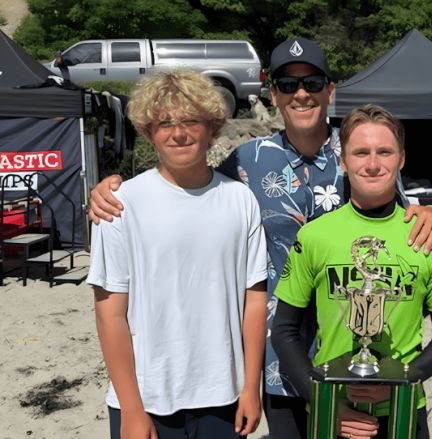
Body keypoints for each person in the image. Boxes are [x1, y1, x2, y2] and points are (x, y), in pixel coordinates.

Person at [87, 38, 432, 439]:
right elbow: (187, 181)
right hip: (282, 362)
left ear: (331, 89)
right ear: (273, 94)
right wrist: (109, 189)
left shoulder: (362, 150)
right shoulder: (246, 162)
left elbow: (400, 217)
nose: (301, 93)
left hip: (361, 357)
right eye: (288, 85)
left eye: (312, 82)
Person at [86, 70, 269, 439]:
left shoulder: (240, 199)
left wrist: (251, 388)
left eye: (190, 121)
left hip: (224, 396)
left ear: (212, 126)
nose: (178, 132)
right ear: (148, 130)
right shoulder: (119, 205)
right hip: (145, 400)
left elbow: (254, 299)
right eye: (164, 123)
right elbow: (110, 314)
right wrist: (133, 410)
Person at [271, 104, 432, 439]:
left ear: (401, 159)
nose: (372, 164)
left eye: (384, 152)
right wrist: (322, 397)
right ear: (343, 161)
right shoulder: (315, 236)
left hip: (403, 410)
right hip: (334, 414)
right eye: (360, 153)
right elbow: (285, 331)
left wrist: (402, 379)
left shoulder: (426, 237)